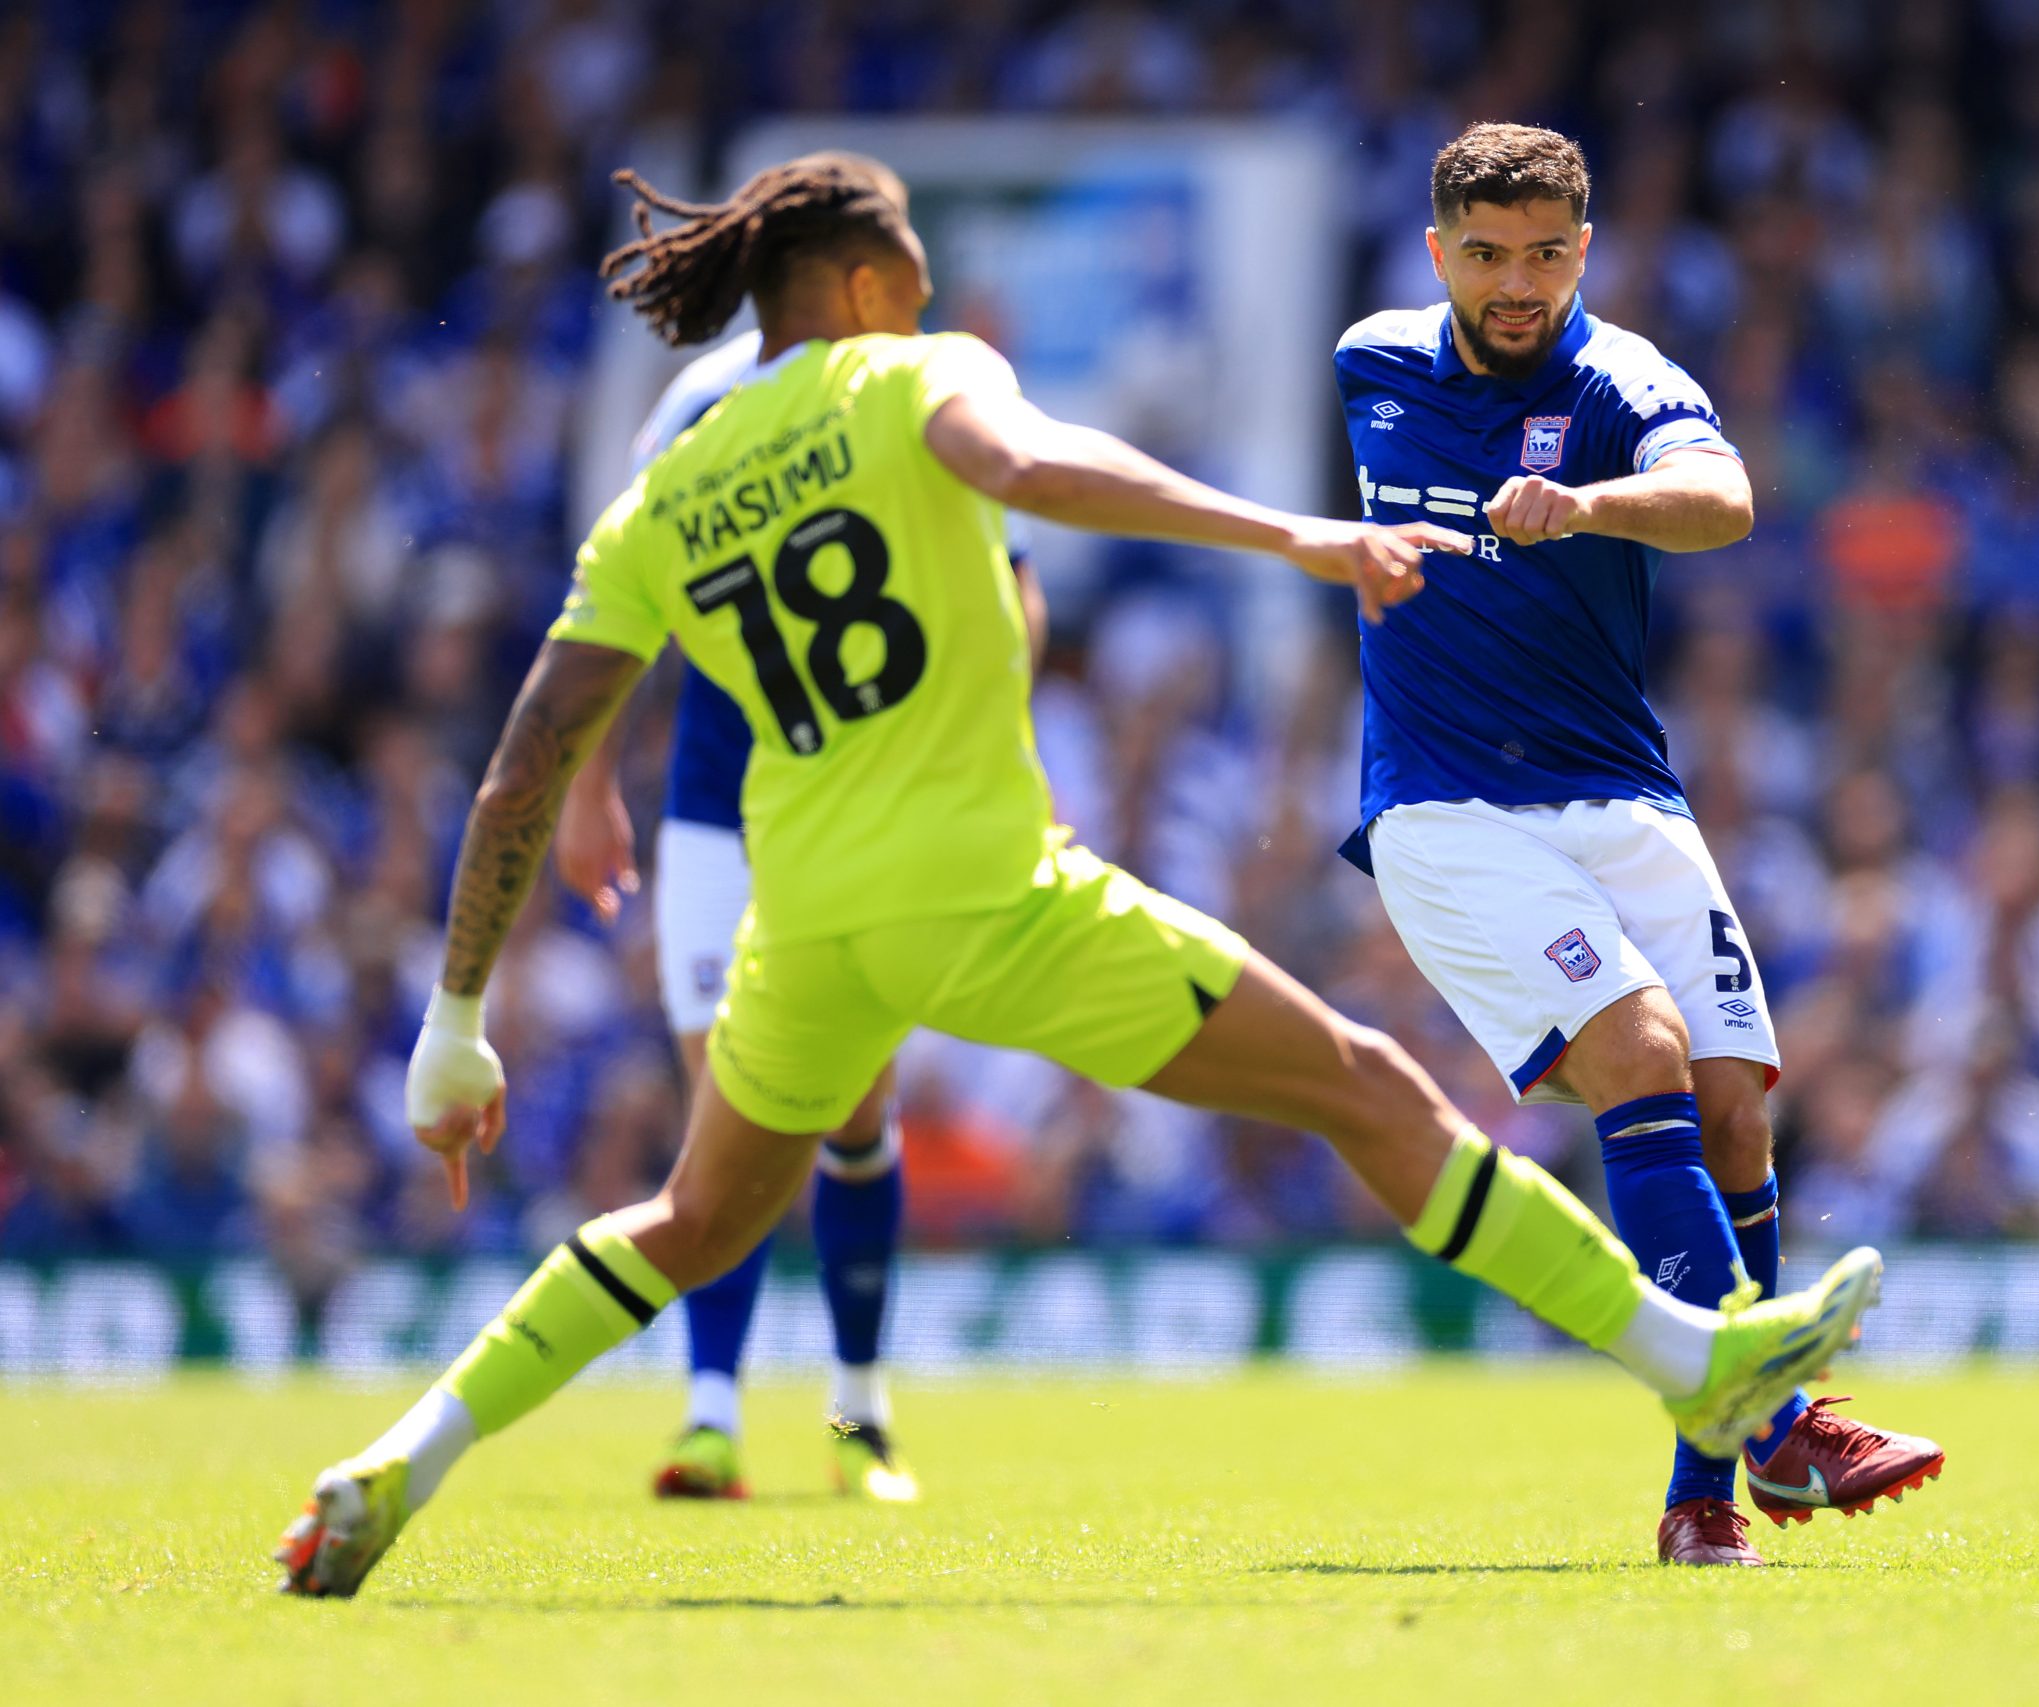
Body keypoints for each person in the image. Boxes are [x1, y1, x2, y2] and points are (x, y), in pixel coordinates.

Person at [273, 152, 1884, 1598]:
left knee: (691, 1220)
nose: (926, 299)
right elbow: (1032, 471)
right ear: (856, 289)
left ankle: (399, 1460)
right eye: (905, 272)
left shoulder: (666, 493)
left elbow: (526, 760)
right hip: (992, 896)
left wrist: (455, 1020)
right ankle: (1700, 1365)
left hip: (809, 927)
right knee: (1372, 1092)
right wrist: (1301, 541)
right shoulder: (917, 383)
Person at [1333, 124, 1944, 1568]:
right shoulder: (1370, 363)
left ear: (1584, 251)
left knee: (1735, 1110)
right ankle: (1786, 1422)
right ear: (1439, 254)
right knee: (1646, 1054)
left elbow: (1724, 500)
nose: (1517, 282)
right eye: (1486, 253)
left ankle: (1708, 1503)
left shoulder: (1623, 382)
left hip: (1622, 798)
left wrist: (1587, 505)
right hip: (1445, 807)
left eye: (1547, 253)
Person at [547, 154, 1034, 1505]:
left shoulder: (920, 392)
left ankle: (857, 1417)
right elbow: (620, 608)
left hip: (868, 810)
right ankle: (708, 1417)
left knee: (858, 1109)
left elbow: (1012, 585)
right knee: (735, 1111)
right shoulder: (700, 404)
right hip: (718, 805)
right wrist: (587, 782)